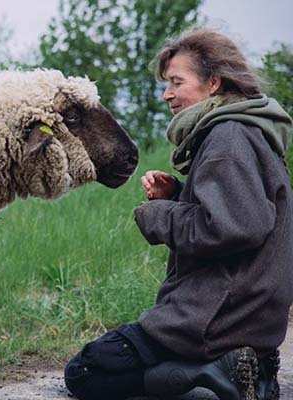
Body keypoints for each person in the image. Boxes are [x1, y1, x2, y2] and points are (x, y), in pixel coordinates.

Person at [64, 28, 293, 400]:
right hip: (250, 318)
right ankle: (250, 373)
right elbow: (248, 212)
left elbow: (236, 227)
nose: (166, 94)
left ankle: (207, 375)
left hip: (217, 317)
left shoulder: (227, 138)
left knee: (86, 372)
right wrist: (182, 194)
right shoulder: (251, 131)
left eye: (176, 82)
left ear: (213, 83)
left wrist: (159, 215)